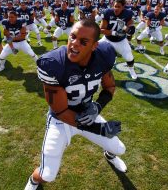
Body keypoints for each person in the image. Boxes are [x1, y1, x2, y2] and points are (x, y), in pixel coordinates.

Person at [24, 19, 127, 190]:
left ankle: (109, 155)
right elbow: (61, 111)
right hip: (61, 120)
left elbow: (109, 86)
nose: (74, 44)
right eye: (72, 37)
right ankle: (34, 181)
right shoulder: (53, 63)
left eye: (83, 41)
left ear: (94, 46)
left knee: (119, 148)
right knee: (48, 174)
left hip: (87, 112)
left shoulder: (104, 56)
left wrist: (97, 107)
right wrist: (100, 129)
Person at [100, 0, 138, 79]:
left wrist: (128, 29)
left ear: (123, 7)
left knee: (129, 57)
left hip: (120, 40)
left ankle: (131, 69)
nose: (116, 8)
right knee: (94, 50)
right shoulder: (107, 12)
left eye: (118, 6)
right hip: (107, 39)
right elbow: (101, 29)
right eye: (115, 6)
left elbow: (130, 26)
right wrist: (115, 33)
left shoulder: (128, 13)